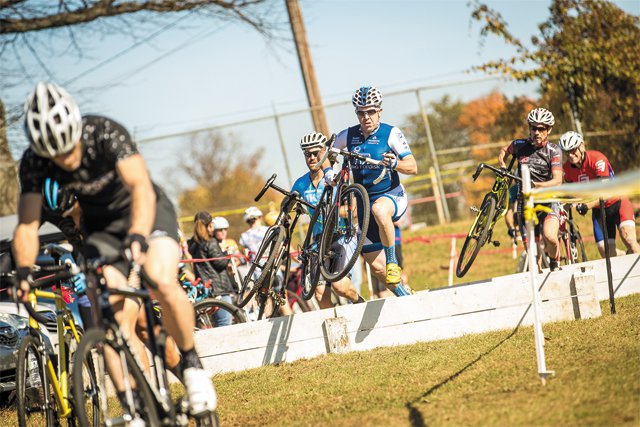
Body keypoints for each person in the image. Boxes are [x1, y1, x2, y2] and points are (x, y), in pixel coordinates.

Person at [12, 82, 216, 415]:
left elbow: (141, 188)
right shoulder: (34, 163)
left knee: (159, 277)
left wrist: (137, 235)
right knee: (108, 319)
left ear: (77, 128)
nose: (65, 161)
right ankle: (135, 408)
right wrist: (22, 272)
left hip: (144, 210)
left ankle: (194, 369)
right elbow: (27, 226)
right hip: (101, 229)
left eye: (69, 150)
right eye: (55, 156)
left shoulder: (104, 132)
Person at [333, 85, 417, 296]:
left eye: (370, 111)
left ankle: (392, 261)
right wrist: (328, 172)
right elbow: (330, 155)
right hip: (363, 205)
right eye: (361, 113)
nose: (366, 117)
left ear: (379, 110)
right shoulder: (348, 136)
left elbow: (413, 166)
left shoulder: (391, 133)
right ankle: (405, 297)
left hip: (391, 196)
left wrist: (394, 164)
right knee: (377, 269)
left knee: (380, 210)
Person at [292, 132, 365, 308]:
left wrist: (330, 213)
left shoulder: (338, 179)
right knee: (319, 293)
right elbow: (289, 206)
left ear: (324, 152)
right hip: (318, 241)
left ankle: (359, 302)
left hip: (341, 237)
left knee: (341, 288)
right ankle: (337, 328)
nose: (311, 157)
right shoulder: (301, 184)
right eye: (307, 154)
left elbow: (353, 211)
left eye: (315, 153)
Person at [498, 107, 563, 271]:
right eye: (534, 128)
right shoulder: (519, 145)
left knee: (550, 237)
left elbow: (557, 180)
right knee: (533, 257)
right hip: (525, 205)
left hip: (548, 201)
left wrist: (536, 185)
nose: (537, 132)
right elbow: (504, 151)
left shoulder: (553, 150)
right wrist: (502, 164)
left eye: (541, 129)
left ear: (549, 130)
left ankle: (555, 260)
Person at [559, 131, 640, 257]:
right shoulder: (567, 169)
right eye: (566, 152)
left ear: (581, 146)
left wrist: (587, 206)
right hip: (599, 211)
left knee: (628, 238)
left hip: (618, 203)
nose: (570, 155)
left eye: (573, 150)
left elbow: (606, 193)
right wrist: (562, 209)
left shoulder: (597, 159)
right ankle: (627, 257)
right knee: (606, 252)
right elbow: (572, 194)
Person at [239, 207, 292, 316]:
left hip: (259, 273)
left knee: (265, 302)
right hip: (274, 268)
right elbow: (283, 247)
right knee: (283, 299)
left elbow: (245, 256)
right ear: (260, 217)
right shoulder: (270, 230)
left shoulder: (244, 237)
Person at [188, 212, 236, 326]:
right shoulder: (210, 242)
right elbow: (220, 263)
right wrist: (227, 253)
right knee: (224, 323)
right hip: (219, 288)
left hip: (205, 289)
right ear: (210, 226)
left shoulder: (192, 244)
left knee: (214, 324)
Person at [212, 216, 243, 294]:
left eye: (225, 229)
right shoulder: (212, 245)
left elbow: (239, 260)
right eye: (220, 230)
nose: (223, 232)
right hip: (221, 278)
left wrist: (233, 265)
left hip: (234, 275)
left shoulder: (231, 242)